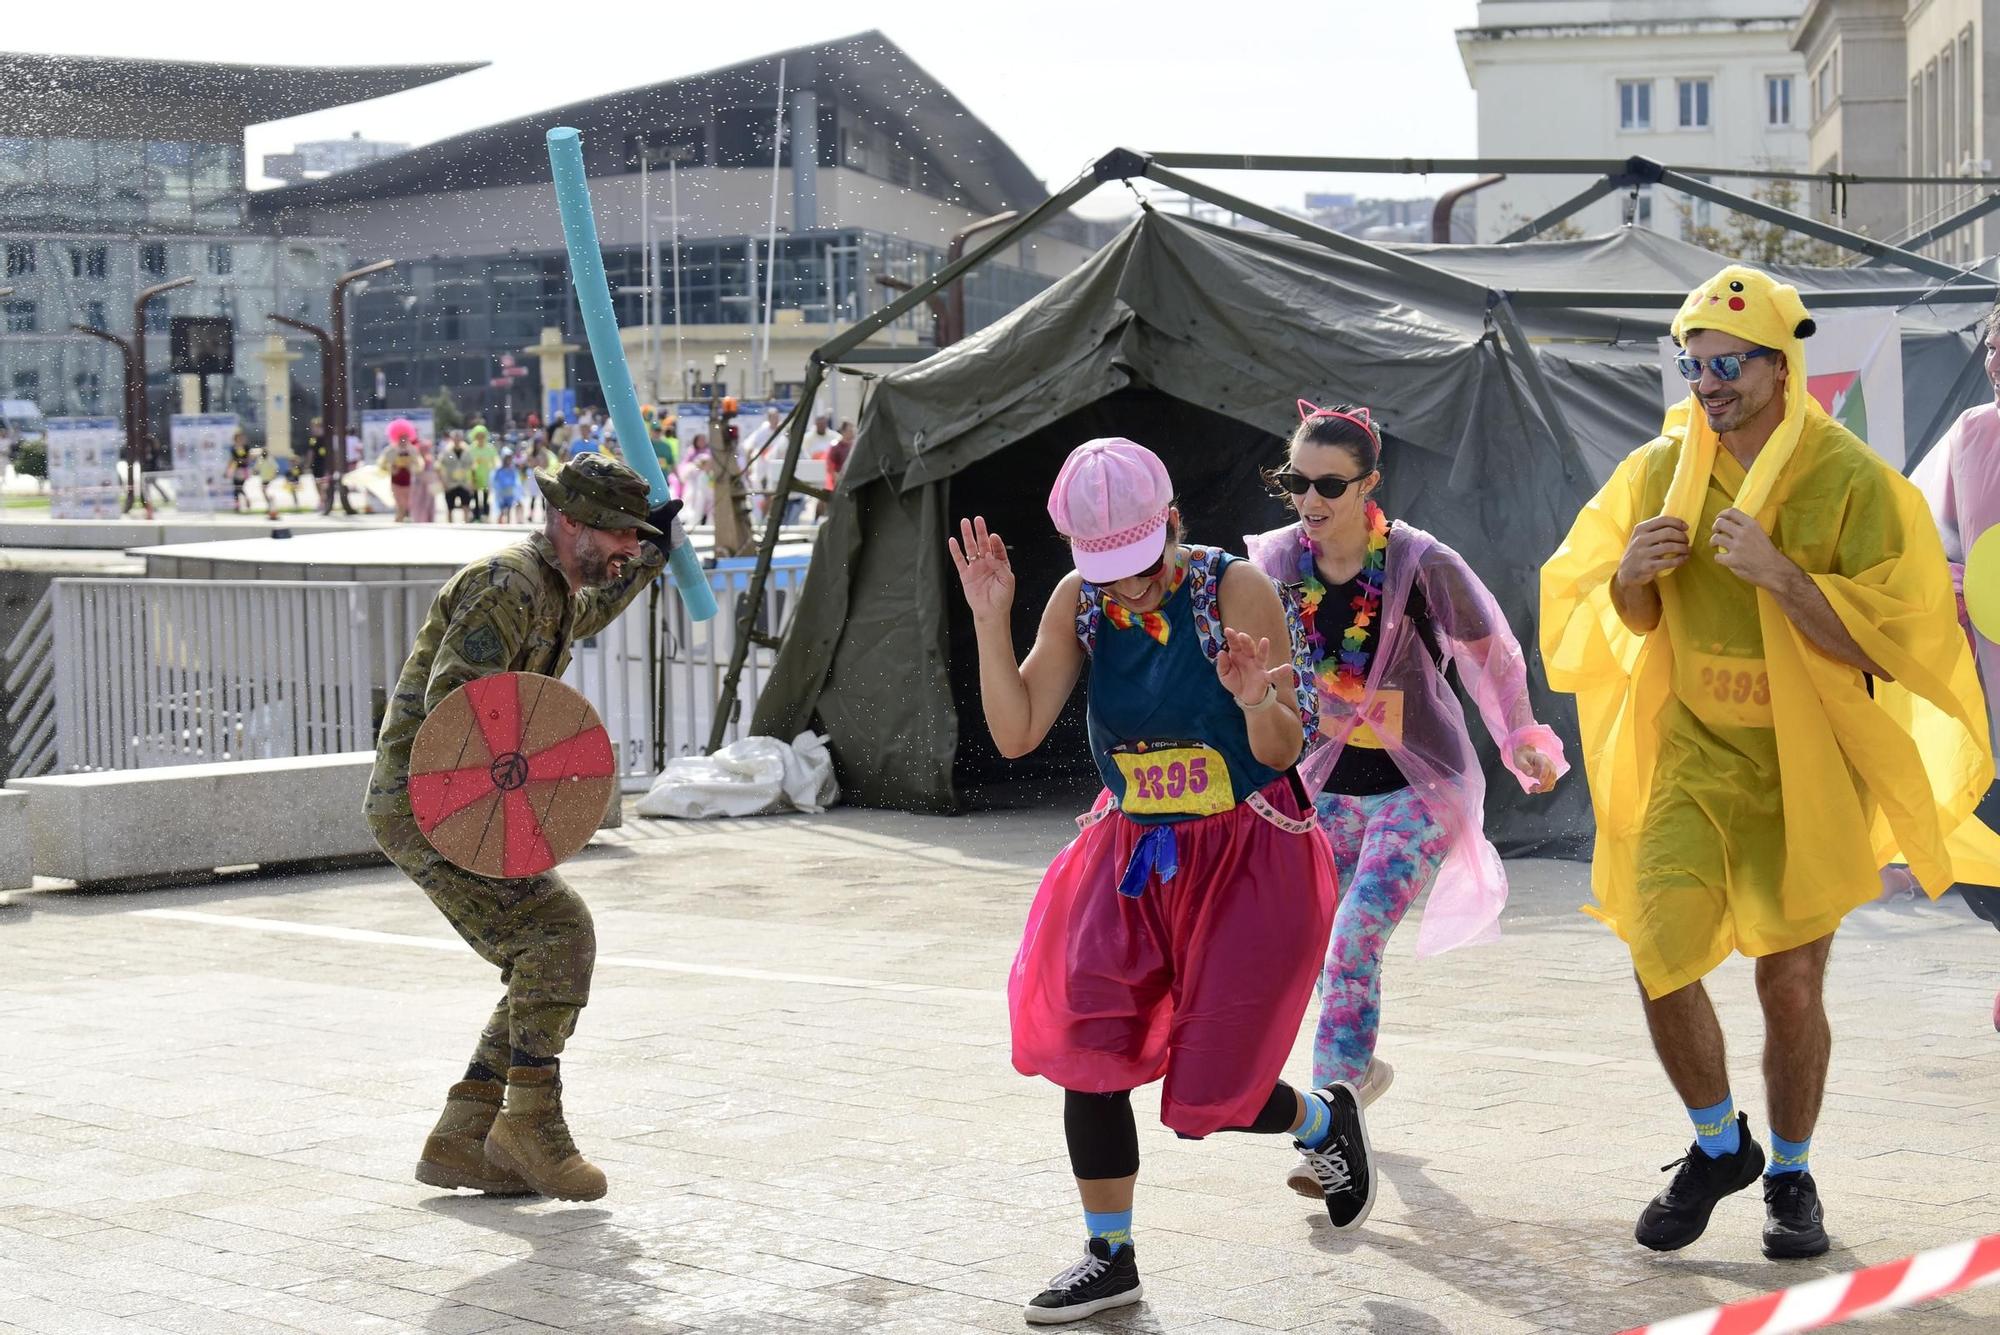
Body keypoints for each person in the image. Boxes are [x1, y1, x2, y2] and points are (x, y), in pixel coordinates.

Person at [1540, 266, 2000, 1262]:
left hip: (1807, 766)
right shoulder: (1657, 470)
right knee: (1655, 953)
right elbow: (1611, 617)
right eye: (1691, 364)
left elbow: (1898, 642)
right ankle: (1717, 1147)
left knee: (1787, 988)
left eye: (1725, 364)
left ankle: (1789, 1173)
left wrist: (1781, 577)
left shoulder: (1849, 481)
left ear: (1778, 365)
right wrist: (1626, 580)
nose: (1705, 383)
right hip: (1695, 758)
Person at [950, 438, 1375, 1325]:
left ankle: (1321, 1120)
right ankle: (1110, 1255)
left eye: (1141, 569)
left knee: (1214, 1091)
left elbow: (1283, 751)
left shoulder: (1231, 591)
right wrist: (993, 621)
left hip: (1249, 852)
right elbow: (1018, 730)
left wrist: (1257, 696)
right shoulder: (1080, 601)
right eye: (1108, 573)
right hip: (1134, 850)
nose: (1129, 589)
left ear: (1172, 524)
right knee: (1088, 1049)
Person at [1246, 401, 1568, 1197]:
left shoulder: (1421, 565)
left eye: (1329, 485)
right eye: (1296, 483)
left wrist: (1521, 732)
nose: (1311, 502)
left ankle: (1328, 1125)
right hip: (1321, 791)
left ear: (1369, 485)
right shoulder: (1274, 566)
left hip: (1416, 790)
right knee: (1316, 942)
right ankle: (1360, 1072)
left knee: (1353, 937)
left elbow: (1491, 653)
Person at [365, 454, 682, 1203]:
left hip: (462, 803)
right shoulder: (505, 584)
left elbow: (594, 606)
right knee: (558, 934)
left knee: (546, 948)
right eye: (614, 533)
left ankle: (465, 1133)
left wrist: (653, 557)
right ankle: (529, 1122)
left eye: (631, 536)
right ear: (567, 522)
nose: (624, 548)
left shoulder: (556, 590)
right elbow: (459, 723)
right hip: (433, 804)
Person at [438, 436, 475, 523]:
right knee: (450, 507)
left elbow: (473, 468)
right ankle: (450, 525)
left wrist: (472, 482)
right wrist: (443, 482)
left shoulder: (467, 452)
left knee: (466, 505)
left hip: (464, 483)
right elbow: (439, 467)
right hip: (450, 483)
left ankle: (466, 524)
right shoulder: (447, 452)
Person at [468, 424, 500, 522]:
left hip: (487, 475)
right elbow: (468, 462)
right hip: (475, 476)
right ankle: (476, 516)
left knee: (486, 496)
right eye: (478, 436)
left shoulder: (489, 448)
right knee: (476, 496)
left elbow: (496, 461)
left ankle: (486, 515)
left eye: (482, 436)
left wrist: (495, 471)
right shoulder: (471, 448)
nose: (480, 438)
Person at [491, 446, 522, 524]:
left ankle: (508, 524)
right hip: (501, 493)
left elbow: (516, 481)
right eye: (507, 458)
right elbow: (495, 481)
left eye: (510, 458)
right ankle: (499, 524)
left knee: (509, 509)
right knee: (501, 510)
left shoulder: (513, 470)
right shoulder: (499, 470)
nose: (508, 460)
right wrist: (497, 490)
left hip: (510, 492)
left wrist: (517, 492)